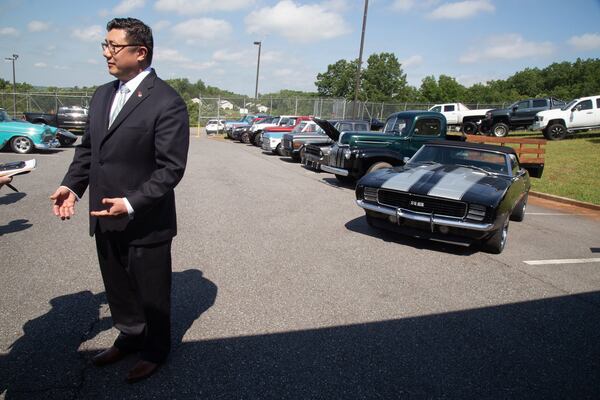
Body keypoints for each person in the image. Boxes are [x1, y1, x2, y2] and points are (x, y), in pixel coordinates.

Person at [50, 17, 189, 383]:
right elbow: (90, 151)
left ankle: (156, 350)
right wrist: (72, 186)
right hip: (103, 214)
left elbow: (170, 169)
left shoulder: (167, 102)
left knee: (151, 293)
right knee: (118, 287)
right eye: (105, 45)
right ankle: (130, 336)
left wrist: (129, 203)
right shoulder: (101, 94)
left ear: (140, 53)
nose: (106, 53)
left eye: (114, 46)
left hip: (144, 219)